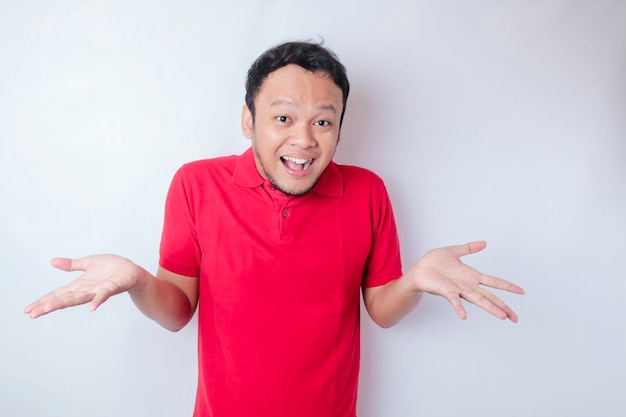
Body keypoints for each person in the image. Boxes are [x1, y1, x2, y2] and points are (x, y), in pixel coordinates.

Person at [25, 41, 524, 417]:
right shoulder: (196, 184)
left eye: (323, 123)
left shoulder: (368, 191)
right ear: (248, 120)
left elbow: (382, 312)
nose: (303, 140)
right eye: (283, 117)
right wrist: (137, 280)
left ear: (340, 127)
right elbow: (177, 311)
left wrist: (412, 281)